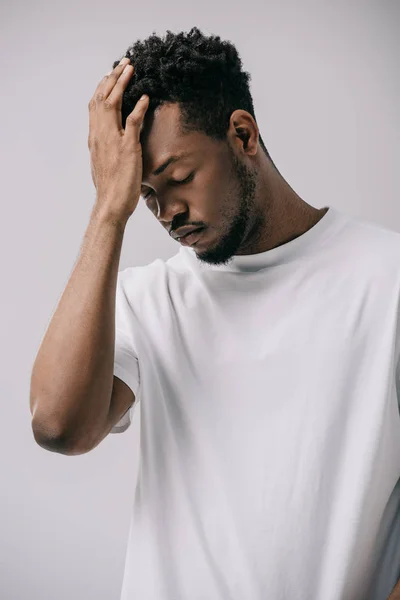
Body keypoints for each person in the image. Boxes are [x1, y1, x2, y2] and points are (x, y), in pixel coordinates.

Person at [30, 27, 400, 600]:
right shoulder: (149, 299)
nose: (167, 212)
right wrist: (109, 210)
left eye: (179, 178)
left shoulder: (387, 277)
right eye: (146, 195)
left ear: (243, 134)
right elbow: (58, 426)